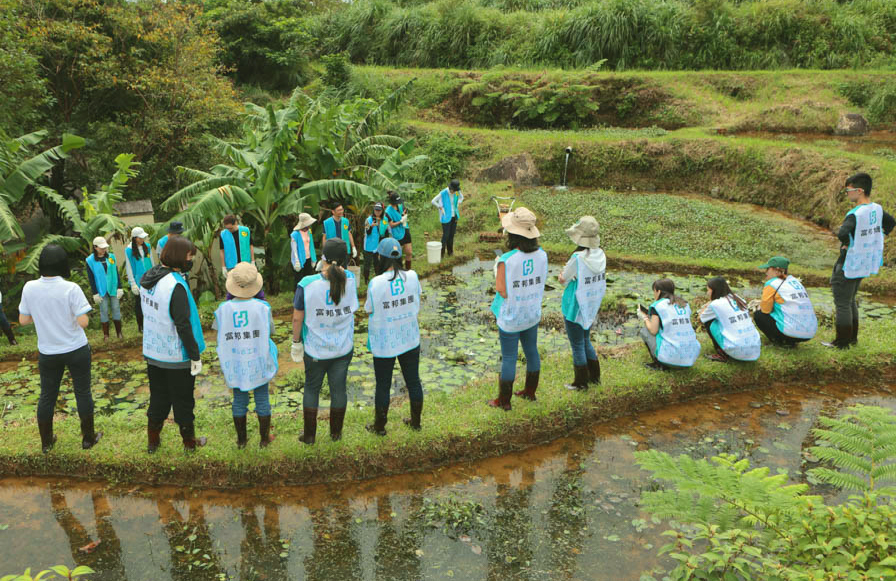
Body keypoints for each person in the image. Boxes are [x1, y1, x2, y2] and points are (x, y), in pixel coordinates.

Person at [18, 244, 101, 453]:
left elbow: (23, 320)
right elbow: (83, 322)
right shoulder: (71, 288)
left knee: (47, 396)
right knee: (82, 392)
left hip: (48, 352)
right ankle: (88, 439)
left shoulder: (29, 287)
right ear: (64, 265)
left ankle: (46, 443)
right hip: (76, 349)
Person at [140, 236, 207, 452]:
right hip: (175, 355)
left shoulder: (148, 278)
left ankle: (153, 442)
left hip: (153, 351)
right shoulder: (174, 285)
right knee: (183, 401)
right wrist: (194, 355)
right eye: (190, 256)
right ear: (179, 256)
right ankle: (189, 443)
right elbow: (183, 325)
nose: (192, 259)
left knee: (158, 397)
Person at [291, 238, 359, 444]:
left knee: (312, 389)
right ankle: (336, 434)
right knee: (338, 389)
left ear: (323, 258)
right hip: (342, 348)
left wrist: (296, 342)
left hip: (315, 350)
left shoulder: (306, 284)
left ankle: (310, 436)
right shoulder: (351, 279)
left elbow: (297, 318)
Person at [824, 173, 894, 348]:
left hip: (849, 262)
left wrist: (848, 243)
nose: (847, 193)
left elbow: (842, 233)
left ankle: (841, 343)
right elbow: (891, 222)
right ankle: (852, 339)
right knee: (850, 299)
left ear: (859, 191)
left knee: (842, 302)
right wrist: (878, 237)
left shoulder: (855, 214)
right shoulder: (876, 208)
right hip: (865, 262)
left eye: (848, 190)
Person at [488, 207, 548, 410]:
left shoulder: (506, 260)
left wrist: (497, 267)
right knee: (532, 351)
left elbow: (502, 291)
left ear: (512, 234)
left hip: (512, 317)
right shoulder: (543, 255)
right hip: (531, 313)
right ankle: (530, 392)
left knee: (510, 358)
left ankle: (504, 402)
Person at [214, 263, 277, 448]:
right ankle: (264, 440)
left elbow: (219, 332)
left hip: (235, 361)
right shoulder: (263, 307)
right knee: (262, 399)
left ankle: (242, 441)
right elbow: (270, 331)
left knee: (239, 400)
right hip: (257, 359)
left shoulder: (223, 309)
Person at [365, 238, 424, 435]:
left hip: (385, 342)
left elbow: (369, 309)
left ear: (380, 257)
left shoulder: (376, 283)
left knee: (383, 384)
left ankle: (379, 427)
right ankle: (416, 423)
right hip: (409, 337)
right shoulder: (413, 276)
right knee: (413, 380)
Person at [558, 216, 605, 390]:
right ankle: (595, 377)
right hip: (590, 304)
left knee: (577, 344)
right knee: (585, 340)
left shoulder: (578, 257)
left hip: (575, 305)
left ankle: (580, 383)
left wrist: (562, 275)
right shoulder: (600, 254)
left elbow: (564, 279)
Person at [638, 279, 701, 370]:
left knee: (645, 330)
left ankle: (659, 364)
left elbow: (653, 330)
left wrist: (644, 318)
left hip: (671, 360)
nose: (654, 294)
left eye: (654, 291)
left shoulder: (657, 305)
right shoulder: (684, 303)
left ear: (658, 291)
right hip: (691, 358)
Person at [754, 256, 817, 347]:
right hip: (810, 333)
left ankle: (779, 341)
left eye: (768, 269)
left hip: (791, 332)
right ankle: (790, 341)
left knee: (759, 315)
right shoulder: (796, 281)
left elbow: (765, 310)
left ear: (777, 270)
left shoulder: (772, 283)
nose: (765, 272)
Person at [698, 277, 761, 363]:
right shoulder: (739, 299)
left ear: (715, 291)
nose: (707, 293)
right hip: (755, 350)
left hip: (737, 351)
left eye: (708, 290)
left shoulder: (715, 304)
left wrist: (708, 304)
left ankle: (722, 354)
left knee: (709, 322)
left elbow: (701, 318)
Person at [86, 236, 124, 341]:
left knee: (116, 308)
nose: (104, 250)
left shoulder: (111, 257)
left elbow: (116, 272)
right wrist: (95, 293)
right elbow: (91, 278)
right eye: (101, 248)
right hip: (101, 289)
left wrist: (119, 287)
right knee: (104, 310)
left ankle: (119, 332)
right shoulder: (90, 260)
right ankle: (106, 335)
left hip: (113, 287)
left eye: (105, 248)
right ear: (95, 247)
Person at [124, 226, 154, 333]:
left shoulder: (147, 247)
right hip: (138, 280)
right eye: (140, 238)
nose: (142, 240)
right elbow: (129, 267)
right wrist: (133, 283)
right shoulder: (129, 250)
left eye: (143, 238)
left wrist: (155, 275)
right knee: (139, 304)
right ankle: (141, 326)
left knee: (151, 302)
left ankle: (151, 324)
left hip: (150, 278)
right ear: (135, 238)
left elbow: (152, 261)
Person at [431, 179, 463, 258]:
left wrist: (458, 203)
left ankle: (450, 252)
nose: (454, 192)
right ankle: (441, 254)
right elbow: (433, 201)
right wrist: (440, 207)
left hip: (454, 216)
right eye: (453, 190)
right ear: (450, 188)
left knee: (451, 235)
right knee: (446, 235)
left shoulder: (456, 192)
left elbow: (461, 198)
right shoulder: (444, 192)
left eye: (455, 190)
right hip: (445, 216)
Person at [362, 202, 391, 284]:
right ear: (373, 210)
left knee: (377, 263)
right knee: (367, 263)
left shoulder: (385, 220)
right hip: (369, 245)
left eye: (379, 210)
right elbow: (367, 232)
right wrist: (371, 226)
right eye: (376, 210)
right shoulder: (368, 220)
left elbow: (386, 232)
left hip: (379, 245)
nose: (377, 212)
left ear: (382, 211)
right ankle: (366, 280)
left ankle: (379, 279)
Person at [219, 214, 254, 278]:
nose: (229, 230)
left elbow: (250, 246)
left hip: (245, 264)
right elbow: (221, 251)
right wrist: (223, 267)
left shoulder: (245, 230)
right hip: (231, 266)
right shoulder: (223, 234)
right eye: (227, 228)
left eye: (230, 228)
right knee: (233, 286)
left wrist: (253, 261)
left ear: (235, 223)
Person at [385, 192, 412, 271]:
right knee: (398, 254)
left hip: (405, 229)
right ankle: (398, 270)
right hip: (396, 233)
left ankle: (408, 270)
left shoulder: (400, 205)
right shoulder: (387, 212)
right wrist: (400, 221)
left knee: (409, 252)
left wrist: (404, 215)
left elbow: (404, 212)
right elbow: (391, 224)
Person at [291, 212, 317, 288]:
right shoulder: (295, 234)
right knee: (299, 280)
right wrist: (296, 261)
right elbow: (294, 249)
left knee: (308, 279)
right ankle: (298, 297)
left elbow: (311, 245)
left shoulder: (309, 232)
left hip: (308, 258)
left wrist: (313, 259)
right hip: (299, 260)